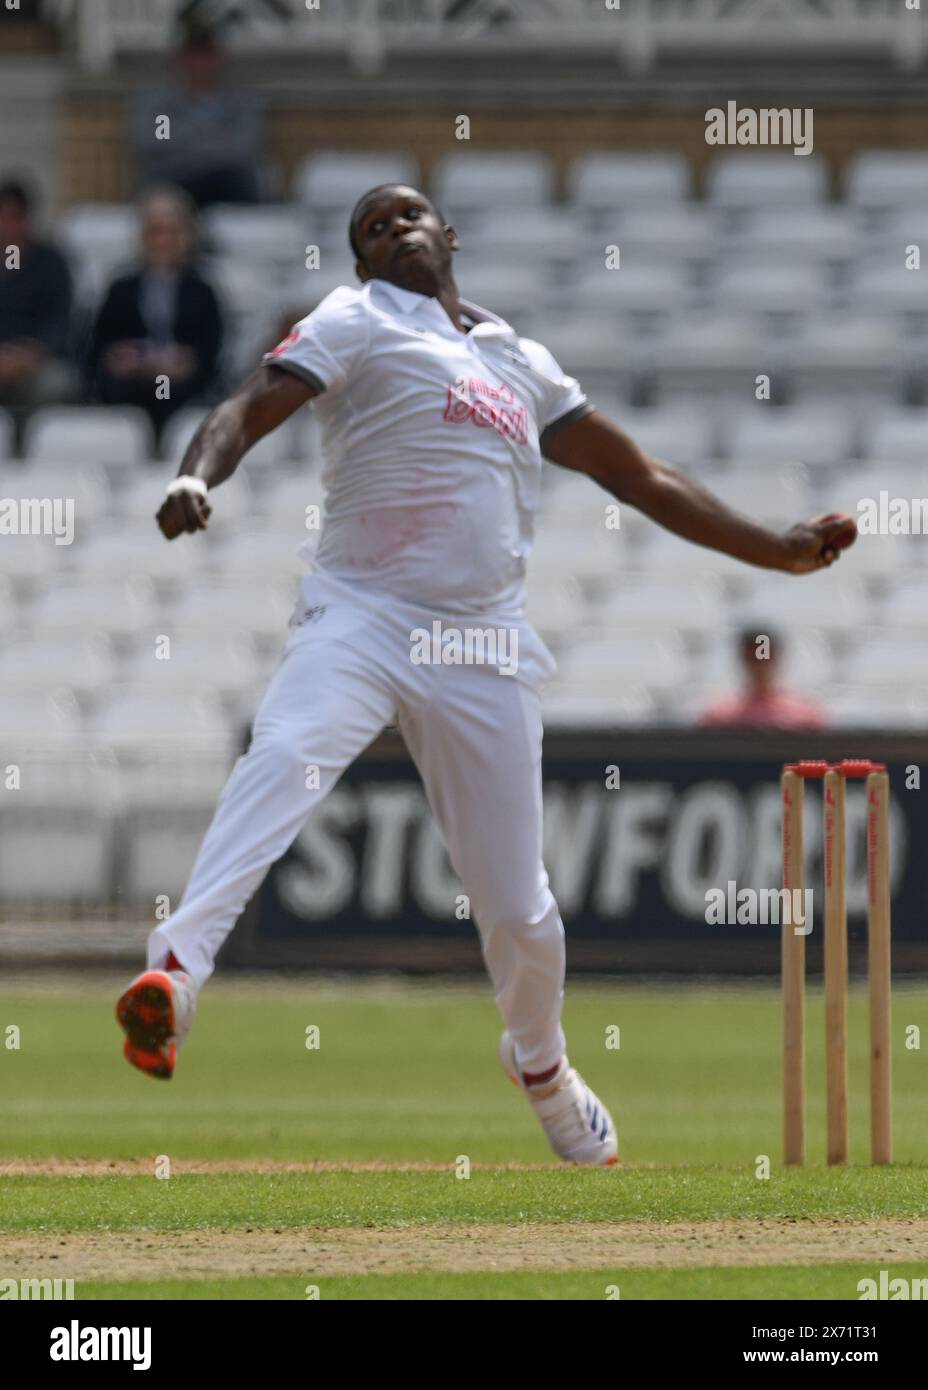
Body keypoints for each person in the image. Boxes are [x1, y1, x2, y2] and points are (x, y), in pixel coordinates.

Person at [115, 183, 856, 1166]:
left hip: (481, 641)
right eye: (371, 229)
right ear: (362, 263)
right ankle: (174, 977)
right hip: (361, 614)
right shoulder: (355, 318)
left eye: (407, 215)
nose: (392, 230)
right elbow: (248, 406)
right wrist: (195, 475)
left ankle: (539, 1061)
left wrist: (777, 549)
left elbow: (638, 476)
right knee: (284, 752)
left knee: (519, 910)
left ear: (449, 236)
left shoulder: (520, 358)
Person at [88, 187, 222, 441]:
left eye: (170, 232)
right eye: (155, 232)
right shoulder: (121, 288)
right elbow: (100, 344)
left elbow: (210, 348)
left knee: (171, 392)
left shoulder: (202, 290)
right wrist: (120, 358)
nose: (162, 242)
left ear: (186, 236)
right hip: (130, 384)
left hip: (183, 387)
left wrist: (184, 361)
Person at [129, 20, 263, 209]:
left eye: (207, 55)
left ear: (220, 58)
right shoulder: (158, 104)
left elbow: (243, 148)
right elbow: (152, 143)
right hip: (174, 181)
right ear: (181, 59)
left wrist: (188, 145)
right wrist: (214, 143)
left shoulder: (241, 102)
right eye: (194, 55)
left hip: (227, 185)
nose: (201, 64)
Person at [0, 178, 74, 414]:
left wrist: (32, 352)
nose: (8, 225)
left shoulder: (52, 264)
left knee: (58, 384)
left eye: (15, 217)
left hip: (36, 363)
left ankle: (32, 444)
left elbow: (62, 321)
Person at [699, 626, 827, 731]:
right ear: (742, 658)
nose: (759, 665)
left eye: (765, 656)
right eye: (752, 656)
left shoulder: (804, 715)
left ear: (776, 656)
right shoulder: (720, 716)